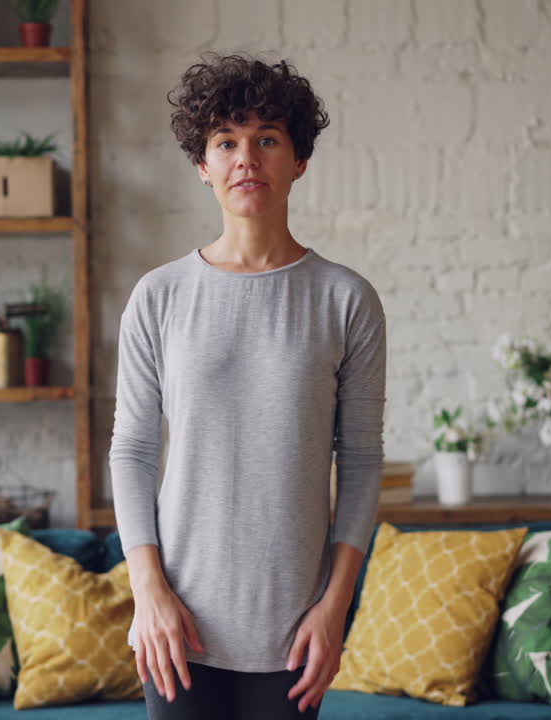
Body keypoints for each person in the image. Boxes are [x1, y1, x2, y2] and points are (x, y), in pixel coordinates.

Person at [108, 51, 387, 719]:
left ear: (299, 160)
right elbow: (132, 453)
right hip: (177, 631)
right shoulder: (159, 297)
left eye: (267, 139)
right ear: (203, 167)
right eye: (225, 142)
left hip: (294, 636)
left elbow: (363, 461)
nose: (246, 158)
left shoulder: (347, 300)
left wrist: (333, 609)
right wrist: (148, 594)